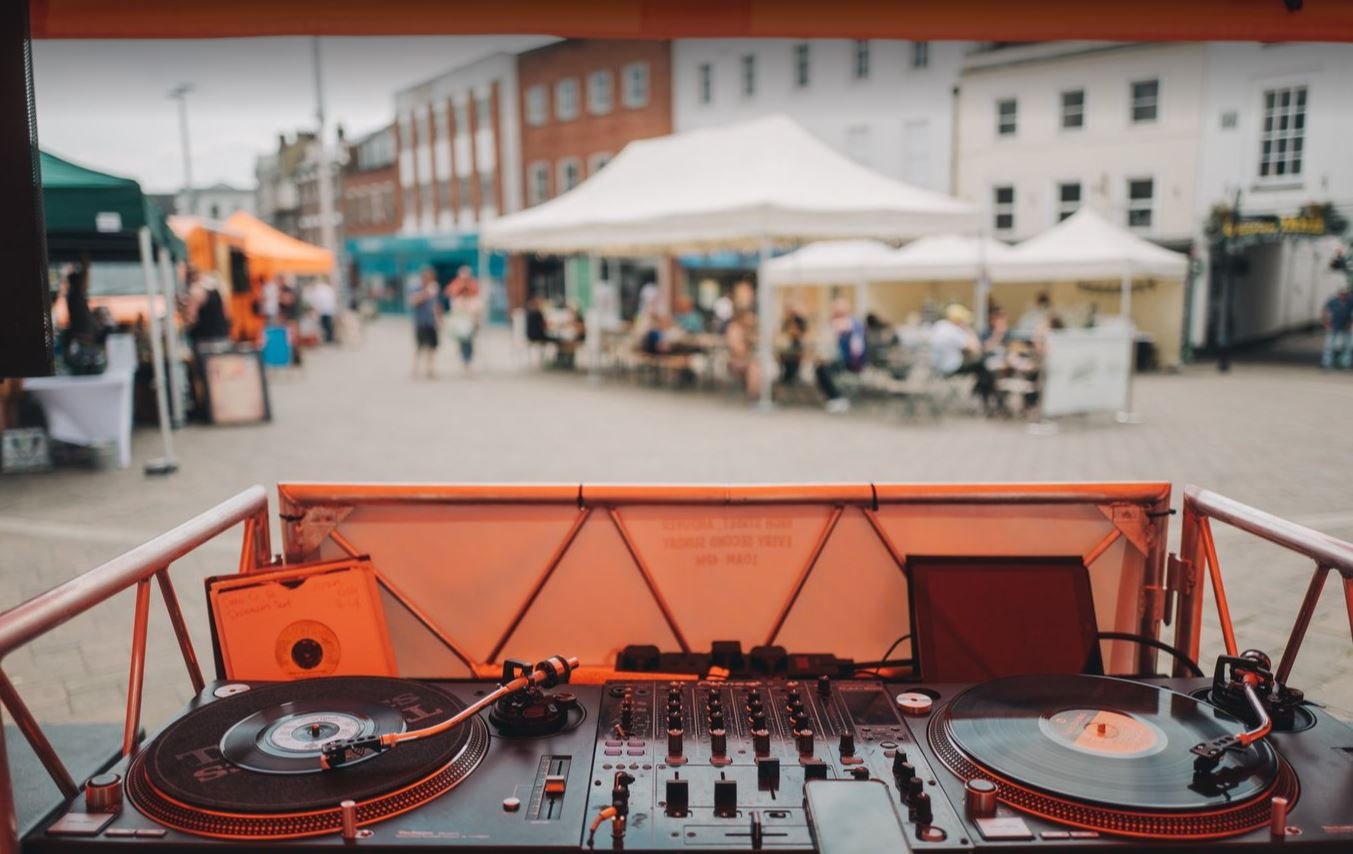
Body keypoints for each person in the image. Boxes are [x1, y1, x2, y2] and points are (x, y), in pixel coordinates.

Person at [931, 304, 997, 412]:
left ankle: (977, 393)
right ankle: (982, 399)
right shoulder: (953, 331)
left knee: (981, 368)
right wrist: (968, 329)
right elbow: (976, 348)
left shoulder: (940, 325)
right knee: (983, 367)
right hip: (950, 367)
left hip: (935, 367)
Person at [814, 299, 868, 414]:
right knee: (819, 367)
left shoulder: (852, 324)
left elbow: (855, 350)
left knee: (823, 368)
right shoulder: (837, 324)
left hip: (852, 362)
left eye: (838, 311)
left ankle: (836, 398)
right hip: (838, 359)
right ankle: (833, 397)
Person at [444, 265, 481, 371]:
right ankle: (464, 359)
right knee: (462, 341)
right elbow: (449, 293)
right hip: (460, 320)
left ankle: (467, 360)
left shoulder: (473, 285)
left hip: (470, 319)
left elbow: (477, 304)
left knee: (469, 341)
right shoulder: (456, 285)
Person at [409, 267, 442, 378]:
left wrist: (439, 320)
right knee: (420, 347)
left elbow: (437, 306)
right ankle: (415, 369)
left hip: (431, 322)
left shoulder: (434, 289)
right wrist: (426, 293)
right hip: (421, 322)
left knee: (432, 347)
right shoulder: (417, 288)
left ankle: (429, 369)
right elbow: (413, 301)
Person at [724, 308, 761, 400]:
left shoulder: (748, 329)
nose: (752, 319)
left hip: (747, 360)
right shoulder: (734, 329)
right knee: (755, 367)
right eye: (749, 317)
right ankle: (753, 394)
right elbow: (738, 350)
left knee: (758, 364)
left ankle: (761, 392)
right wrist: (748, 340)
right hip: (736, 361)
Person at [1321, 285, 1352, 370]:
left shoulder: (1350, 301)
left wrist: (1351, 323)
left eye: (1345, 294)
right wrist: (1325, 322)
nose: (1343, 296)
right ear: (1339, 294)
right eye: (1342, 294)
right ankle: (1326, 363)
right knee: (1329, 345)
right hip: (1334, 325)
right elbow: (1325, 310)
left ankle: (1346, 364)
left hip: (1346, 326)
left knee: (1347, 346)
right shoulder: (1333, 301)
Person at [779, 302, 808, 384]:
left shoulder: (800, 320)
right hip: (787, 344)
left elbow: (804, 332)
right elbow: (782, 332)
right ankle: (786, 375)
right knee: (784, 356)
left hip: (798, 344)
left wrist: (796, 333)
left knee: (795, 356)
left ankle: (793, 375)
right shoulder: (785, 321)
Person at [307, 277, 338, 344]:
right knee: (327, 325)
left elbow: (316, 300)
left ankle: (328, 338)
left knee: (326, 325)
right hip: (328, 309)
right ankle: (329, 338)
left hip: (324, 309)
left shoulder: (318, 290)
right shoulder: (327, 289)